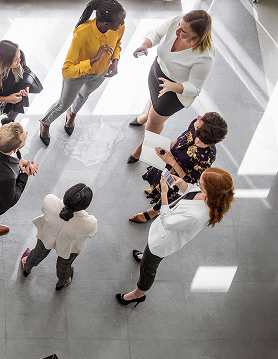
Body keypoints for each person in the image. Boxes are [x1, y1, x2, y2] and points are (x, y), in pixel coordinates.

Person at [117, 167, 235, 306]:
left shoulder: (196, 216)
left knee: (148, 269)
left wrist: (164, 193)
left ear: (211, 191)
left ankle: (139, 294)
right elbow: (190, 190)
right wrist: (180, 183)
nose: (198, 182)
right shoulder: (206, 194)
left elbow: (167, 222)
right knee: (149, 254)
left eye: (201, 183)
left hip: (163, 241)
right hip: (160, 233)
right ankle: (146, 257)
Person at [127, 10, 216, 164]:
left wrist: (172, 86)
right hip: (158, 72)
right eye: (179, 25)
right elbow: (156, 33)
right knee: (152, 99)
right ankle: (146, 116)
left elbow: (195, 87)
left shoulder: (205, 55)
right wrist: (145, 45)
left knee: (155, 121)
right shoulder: (177, 21)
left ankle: (143, 147)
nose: (177, 30)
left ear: (197, 35)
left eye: (183, 31)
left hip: (175, 91)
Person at [39, 0, 125, 145]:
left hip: (100, 73)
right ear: (106, 24)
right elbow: (67, 71)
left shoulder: (118, 28)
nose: (122, 24)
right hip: (77, 75)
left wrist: (115, 61)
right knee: (63, 104)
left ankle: (71, 115)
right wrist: (93, 60)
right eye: (120, 21)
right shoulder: (81, 33)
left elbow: (117, 44)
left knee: (84, 95)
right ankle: (45, 123)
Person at [129, 112, 227, 222]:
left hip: (176, 179)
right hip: (165, 164)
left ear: (202, 133)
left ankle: (154, 212)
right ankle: (156, 192)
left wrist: (172, 162)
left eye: (201, 120)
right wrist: (168, 146)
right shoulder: (195, 125)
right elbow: (181, 138)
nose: (198, 117)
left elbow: (189, 182)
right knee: (158, 182)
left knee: (167, 194)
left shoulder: (206, 157)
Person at [21, 184, 97, 290]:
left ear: (66, 193)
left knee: (38, 253)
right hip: (69, 247)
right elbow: (92, 234)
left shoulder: (49, 200)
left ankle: (27, 267)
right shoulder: (90, 222)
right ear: (85, 207)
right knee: (64, 265)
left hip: (47, 236)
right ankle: (62, 282)